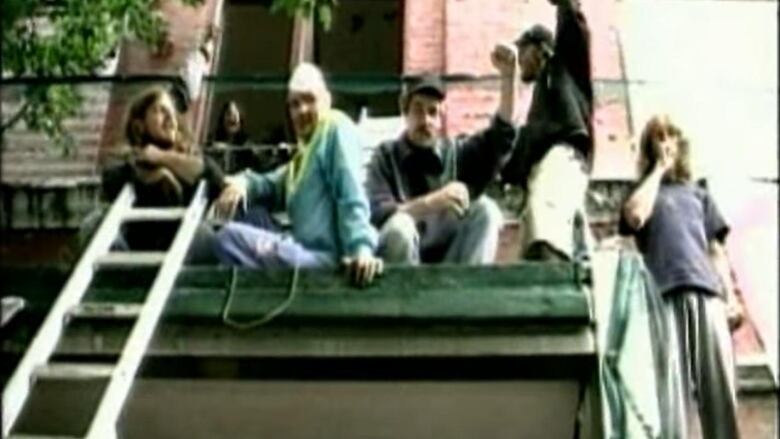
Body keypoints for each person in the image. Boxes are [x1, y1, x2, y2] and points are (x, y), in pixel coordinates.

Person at [619, 114, 744, 439]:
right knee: (669, 400)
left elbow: (716, 250)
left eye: (670, 136)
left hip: (707, 295)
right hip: (663, 299)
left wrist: (730, 298)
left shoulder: (699, 193)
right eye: (658, 137)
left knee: (720, 393)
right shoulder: (644, 192)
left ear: (680, 144)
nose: (666, 143)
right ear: (650, 147)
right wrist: (658, 171)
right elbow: (634, 217)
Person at [212, 63, 383, 287]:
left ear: (327, 100)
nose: (301, 110)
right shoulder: (302, 157)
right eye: (294, 104)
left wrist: (361, 248)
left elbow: (350, 192)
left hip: (326, 262)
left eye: (309, 100)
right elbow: (270, 183)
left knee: (228, 239)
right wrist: (243, 183)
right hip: (302, 253)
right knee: (245, 219)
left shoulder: (335, 129)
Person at [364, 44, 518, 265]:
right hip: (402, 275)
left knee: (487, 211)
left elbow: (500, 139)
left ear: (441, 119)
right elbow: (377, 215)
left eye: (432, 112)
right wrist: (434, 202)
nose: (426, 120)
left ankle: (465, 293)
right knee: (400, 226)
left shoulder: (455, 153)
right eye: (418, 109)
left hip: (451, 269)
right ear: (404, 111)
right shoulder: (386, 157)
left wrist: (508, 78)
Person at [88, 87, 226, 264]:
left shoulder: (192, 160)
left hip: (185, 258)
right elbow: (112, 181)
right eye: (159, 111)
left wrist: (161, 157)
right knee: (94, 222)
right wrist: (154, 174)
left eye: (171, 112)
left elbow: (213, 176)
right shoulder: (126, 165)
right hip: (135, 257)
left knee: (203, 233)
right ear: (139, 125)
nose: (170, 118)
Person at [500, 0, 593, 262]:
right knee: (540, 231)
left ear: (541, 50)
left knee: (544, 222)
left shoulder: (564, 69)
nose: (520, 61)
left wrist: (565, 4)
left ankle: (551, 291)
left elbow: (573, 30)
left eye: (523, 51)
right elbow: (523, 148)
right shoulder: (539, 105)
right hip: (546, 166)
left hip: (562, 155)